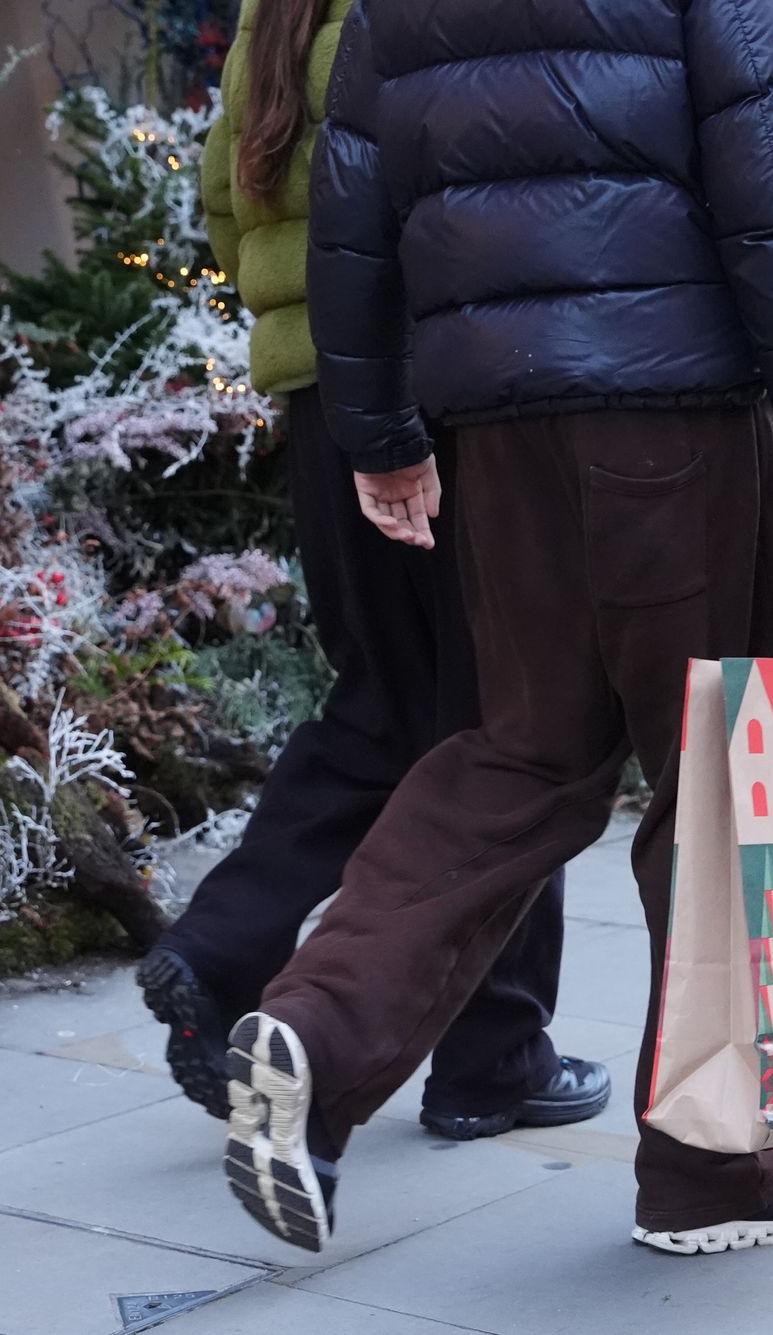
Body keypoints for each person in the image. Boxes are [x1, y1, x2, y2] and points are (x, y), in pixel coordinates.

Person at [219, 0, 773, 1257]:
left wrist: (381, 435)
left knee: (517, 753)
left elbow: (352, 216)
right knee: (722, 785)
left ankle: (319, 1024)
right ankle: (712, 1170)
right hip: (679, 420)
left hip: (499, 442)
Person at [136, 0, 610, 1143]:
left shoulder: (279, 12)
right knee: (513, 719)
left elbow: (221, 194)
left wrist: (298, 324)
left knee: (381, 704)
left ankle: (220, 946)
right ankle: (492, 1057)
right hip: (435, 390)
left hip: (321, 399)